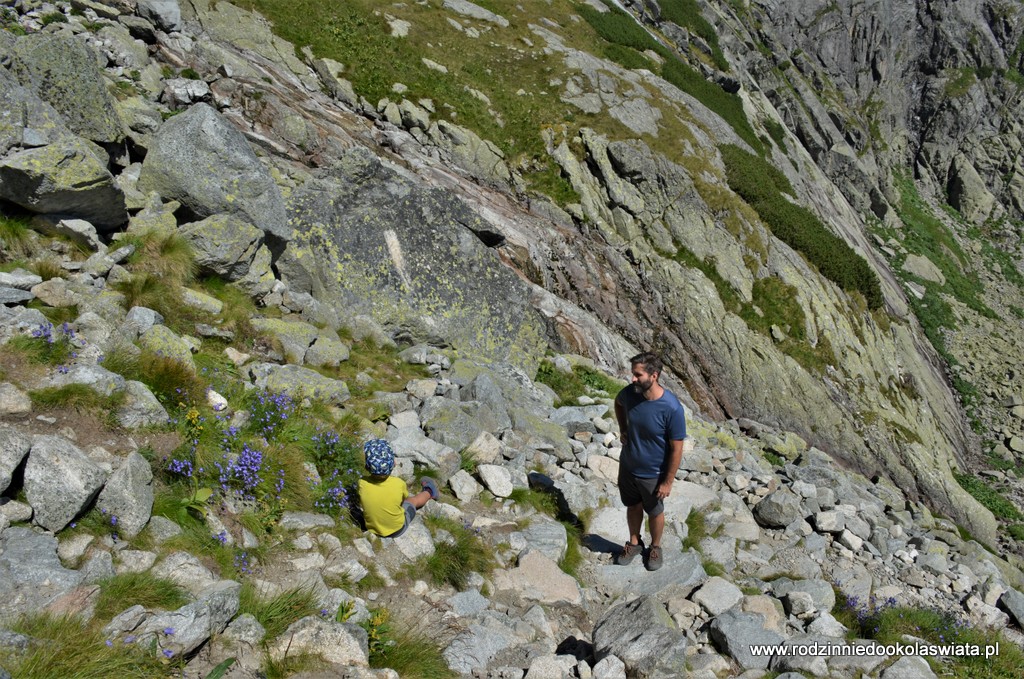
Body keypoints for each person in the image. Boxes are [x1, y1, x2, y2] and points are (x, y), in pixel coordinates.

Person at [613, 351, 687, 571]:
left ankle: (655, 547)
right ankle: (634, 544)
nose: (633, 379)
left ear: (654, 376)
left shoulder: (671, 408)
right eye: (633, 374)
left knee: (654, 511)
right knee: (632, 505)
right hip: (628, 465)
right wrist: (623, 428)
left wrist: (668, 481)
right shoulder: (630, 394)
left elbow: (677, 448)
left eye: (638, 375)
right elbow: (618, 403)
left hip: (653, 472)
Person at [358, 439, 439, 538]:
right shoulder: (399, 484)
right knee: (412, 501)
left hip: (373, 529)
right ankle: (430, 492)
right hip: (397, 529)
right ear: (394, 464)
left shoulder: (362, 483)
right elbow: (402, 501)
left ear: (367, 467)